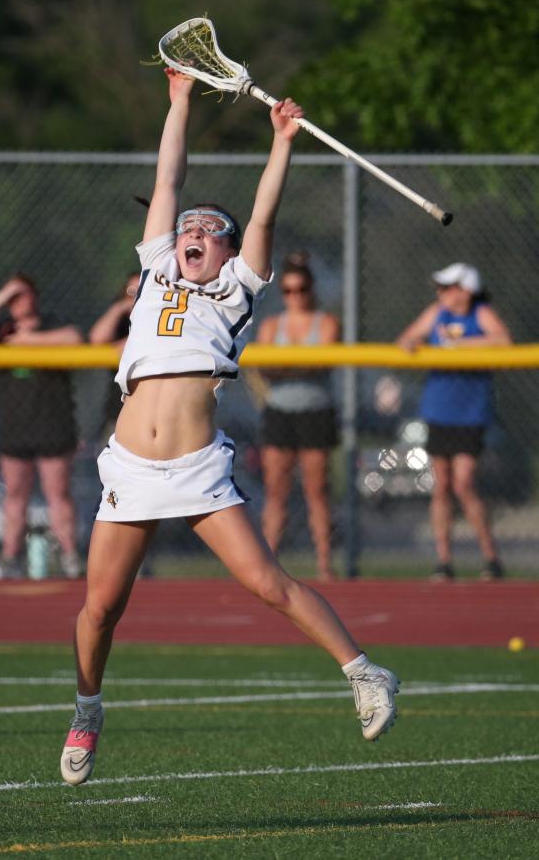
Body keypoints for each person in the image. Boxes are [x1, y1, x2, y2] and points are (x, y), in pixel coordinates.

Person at [59, 69, 399, 787]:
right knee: (98, 609)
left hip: (197, 468)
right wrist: (179, 100)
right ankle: (88, 708)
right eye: (186, 227)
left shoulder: (236, 289)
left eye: (209, 231)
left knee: (268, 583)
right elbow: (169, 174)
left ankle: (366, 672)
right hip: (128, 466)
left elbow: (265, 217)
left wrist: (281, 143)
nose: (191, 233)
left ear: (228, 249)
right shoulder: (155, 271)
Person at [396, 262, 512, 582]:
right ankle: (443, 559)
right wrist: (414, 343)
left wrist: (460, 344)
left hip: (470, 413)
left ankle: (490, 556)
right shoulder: (437, 313)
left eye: (448, 287)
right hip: (439, 410)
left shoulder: (480, 313)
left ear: (466, 290)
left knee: (464, 483)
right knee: (442, 485)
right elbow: (407, 337)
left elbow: (503, 340)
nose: (441, 293)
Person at [0, 273, 84, 579]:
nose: (19, 302)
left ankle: (70, 556)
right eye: (13, 298)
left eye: (23, 295)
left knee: (58, 494)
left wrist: (27, 341)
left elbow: (74, 338)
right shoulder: (2, 330)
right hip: (15, 427)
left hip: (53, 424)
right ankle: (9, 557)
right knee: (15, 495)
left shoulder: (50, 322)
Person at [255, 252, 340, 582]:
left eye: (301, 290)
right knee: (276, 489)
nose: (295, 297)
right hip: (280, 411)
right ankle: (268, 561)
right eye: (288, 291)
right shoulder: (272, 325)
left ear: (311, 289)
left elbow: (319, 364)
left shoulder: (326, 322)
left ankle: (324, 565)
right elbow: (265, 367)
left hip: (315, 412)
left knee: (317, 490)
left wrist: (284, 365)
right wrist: (295, 364)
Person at [89, 273, 140, 443]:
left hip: (153, 412)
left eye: (142, 290)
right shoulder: (121, 322)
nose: (136, 296)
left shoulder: (162, 320)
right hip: (119, 409)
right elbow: (96, 339)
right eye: (131, 291)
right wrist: (118, 308)